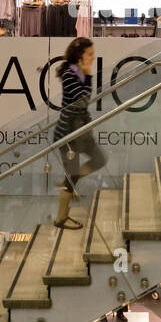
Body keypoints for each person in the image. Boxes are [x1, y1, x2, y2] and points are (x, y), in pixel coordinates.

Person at [53, 37, 108, 229]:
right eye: (90, 54)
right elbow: (83, 101)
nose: (93, 58)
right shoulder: (70, 73)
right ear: (80, 55)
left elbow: (84, 103)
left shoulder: (78, 72)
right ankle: (60, 218)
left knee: (99, 159)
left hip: (81, 131)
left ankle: (71, 178)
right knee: (71, 178)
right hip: (68, 133)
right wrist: (88, 75)